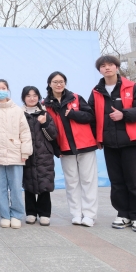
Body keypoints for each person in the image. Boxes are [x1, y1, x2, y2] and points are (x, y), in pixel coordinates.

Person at [88, 55, 136, 233]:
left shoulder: (132, 87)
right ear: (99, 70)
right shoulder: (96, 91)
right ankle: (122, 214)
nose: (107, 68)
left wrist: (124, 114)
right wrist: (96, 138)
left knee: (134, 180)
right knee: (116, 181)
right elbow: (91, 116)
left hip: (130, 141)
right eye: (103, 66)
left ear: (117, 67)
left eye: (110, 65)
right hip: (109, 143)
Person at [43, 71, 98, 228]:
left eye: (61, 81)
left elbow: (90, 116)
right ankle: (76, 213)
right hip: (65, 148)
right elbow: (47, 129)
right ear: (49, 84)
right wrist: (56, 149)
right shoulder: (45, 104)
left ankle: (89, 215)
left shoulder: (76, 98)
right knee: (71, 182)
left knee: (88, 181)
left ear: (65, 83)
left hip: (85, 145)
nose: (58, 84)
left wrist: (74, 114)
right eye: (55, 82)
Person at [0, 79, 32, 229]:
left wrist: (25, 151)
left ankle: (16, 215)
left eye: (3, 88)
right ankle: (4, 215)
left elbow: (25, 132)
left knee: (16, 187)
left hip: (16, 153)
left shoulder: (17, 110)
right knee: (0, 188)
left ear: (8, 90)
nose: (1, 90)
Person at [21, 86, 58, 227]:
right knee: (28, 183)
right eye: (28, 95)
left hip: (44, 154)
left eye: (35, 95)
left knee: (44, 184)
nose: (32, 98)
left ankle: (44, 214)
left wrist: (44, 123)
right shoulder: (19, 114)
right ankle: (30, 212)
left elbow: (52, 135)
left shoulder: (45, 113)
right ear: (23, 98)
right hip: (27, 154)